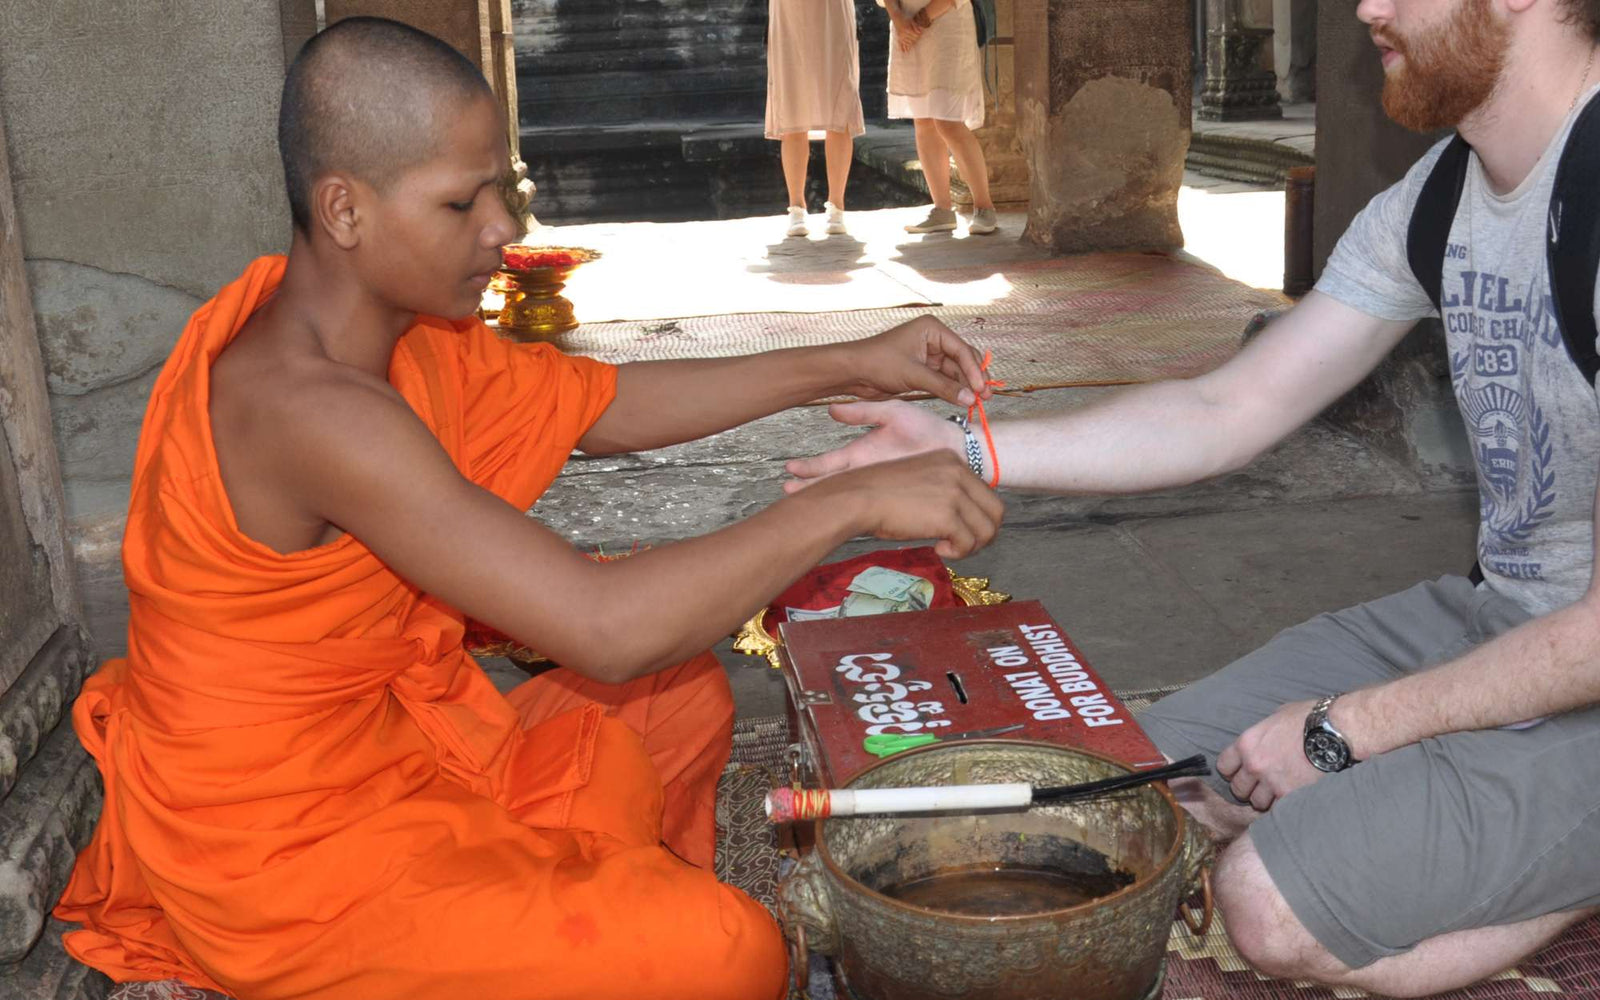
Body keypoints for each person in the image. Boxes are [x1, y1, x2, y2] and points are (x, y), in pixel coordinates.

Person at [51, 17, 1003, 1000]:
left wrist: (850, 358)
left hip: (398, 742)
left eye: (498, 188)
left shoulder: (401, 335)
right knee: (730, 951)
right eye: (461, 202)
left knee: (680, 697)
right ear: (345, 210)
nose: (502, 227)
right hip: (288, 852)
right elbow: (604, 629)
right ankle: (600, 940)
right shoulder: (311, 409)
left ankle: (568, 938)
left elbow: (604, 407)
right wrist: (850, 499)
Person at [787, 0, 1600, 994]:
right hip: (1497, 620)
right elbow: (1228, 404)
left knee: (1269, 904)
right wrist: (964, 442)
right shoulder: (1442, 198)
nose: (1365, 8)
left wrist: (1353, 727)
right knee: (1140, 790)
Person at [881, 0, 998, 235]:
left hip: (947, 24)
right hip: (906, 29)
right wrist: (899, 19)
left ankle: (984, 207)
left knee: (948, 123)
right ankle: (942, 209)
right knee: (923, 119)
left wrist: (919, 22)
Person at [765, 0, 865, 237]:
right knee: (793, 108)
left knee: (839, 109)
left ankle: (837, 208)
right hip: (789, 14)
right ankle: (796, 209)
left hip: (834, 11)